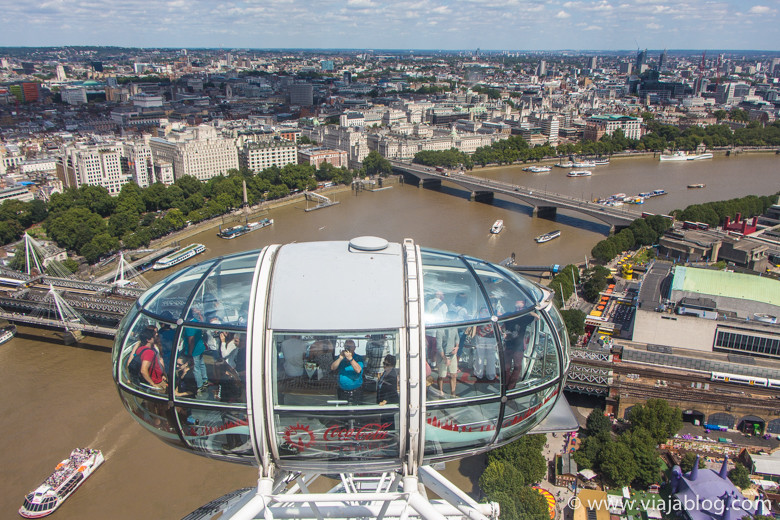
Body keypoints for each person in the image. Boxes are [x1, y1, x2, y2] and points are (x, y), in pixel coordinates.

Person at [502, 301, 536, 390]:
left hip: (518, 347)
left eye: (520, 308)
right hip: (508, 345)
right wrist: (502, 332)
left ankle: (510, 387)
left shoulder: (524, 318)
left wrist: (527, 311)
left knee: (517, 366)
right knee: (506, 367)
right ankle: (506, 386)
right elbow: (498, 319)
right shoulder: (509, 316)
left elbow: (537, 317)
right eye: (517, 307)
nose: (518, 309)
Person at [183, 307, 208, 393]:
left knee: (195, 368)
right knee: (202, 364)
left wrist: (190, 354)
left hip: (194, 351)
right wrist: (200, 314)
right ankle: (205, 380)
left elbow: (191, 341)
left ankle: (200, 385)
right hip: (200, 347)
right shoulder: (195, 321)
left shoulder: (189, 325)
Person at [330, 340, 364, 405]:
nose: (348, 348)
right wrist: (340, 358)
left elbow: (358, 370)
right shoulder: (340, 357)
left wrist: (351, 359)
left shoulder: (358, 358)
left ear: (354, 348)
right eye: (347, 346)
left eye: (350, 347)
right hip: (342, 391)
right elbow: (332, 368)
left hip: (356, 390)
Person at [470, 308, 497, 382]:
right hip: (485, 336)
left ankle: (480, 374)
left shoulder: (481, 310)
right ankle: (489, 375)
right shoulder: (494, 311)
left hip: (484, 336)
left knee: (482, 356)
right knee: (486, 356)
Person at [436, 318, 460, 397]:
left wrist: (456, 347)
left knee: (453, 375)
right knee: (441, 376)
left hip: (452, 355)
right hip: (442, 356)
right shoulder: (440, 331)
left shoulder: (454, 328)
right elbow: (439, 346)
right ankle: (440, 391)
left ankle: (453, 392)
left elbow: (457, 338)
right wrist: (445, 358)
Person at [377, 354, 399, 430]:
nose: (384, 366)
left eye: (387, 364)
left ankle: (389, 439)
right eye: (384, 363)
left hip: (388, 403)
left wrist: (385, 401)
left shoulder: (392, 375)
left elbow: (392, 390)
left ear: (392, 365)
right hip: (383, 403)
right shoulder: (385, 373)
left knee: (388, 424)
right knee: (384, 423)